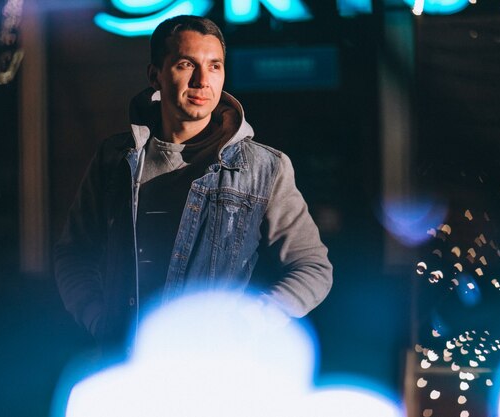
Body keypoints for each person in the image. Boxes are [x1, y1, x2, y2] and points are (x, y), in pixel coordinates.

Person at [54, 15, 333, 349]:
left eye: (214, 66)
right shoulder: (115, 159)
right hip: (127, 366)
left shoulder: (263, 168)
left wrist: (252, 321)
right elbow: (74, 254)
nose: (203, 80)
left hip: (216, 370)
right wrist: (98, 319)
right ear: (155, 75)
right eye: (187, 64)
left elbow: (313, 268)